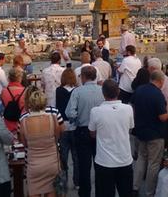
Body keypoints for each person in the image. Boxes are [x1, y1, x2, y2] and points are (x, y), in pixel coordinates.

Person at [89, 80, 135, 197]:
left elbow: (92, 133)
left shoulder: (96, 111)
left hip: (104, 161)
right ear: (118, 91)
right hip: (124, 159)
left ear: (103, 93)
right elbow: (130, 128)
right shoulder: (128, 109)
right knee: (126, 193)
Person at [65, 66, 105, 197]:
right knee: (100, 165)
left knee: (84, 166)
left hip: (83, 131)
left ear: (83, 77)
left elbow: (69, 112)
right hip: (100, 131)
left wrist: (76, 120)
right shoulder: (102, 91)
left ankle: (85, 193)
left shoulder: (77, 92)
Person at [131, 68, 168, 196]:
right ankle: (149, 192)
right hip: (155, 134)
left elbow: (134, 108)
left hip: (141, 131)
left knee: (141, 159)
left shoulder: (139, 90)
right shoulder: (158, 94)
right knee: (153, 164)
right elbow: (163, 117)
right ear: (160, 81)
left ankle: (135, 187)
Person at [19, 89, 62, 197]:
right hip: (52, 163)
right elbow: (57, 138)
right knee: (52, 191)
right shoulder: (53, 118)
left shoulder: (24, 121)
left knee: (33, 192)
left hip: (34, 164)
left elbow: (24, 144)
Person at [55, 68, 79, 189]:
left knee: (63, 156)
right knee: (76, 156)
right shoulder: (77, 90)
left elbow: (57, 108)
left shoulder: (58, 91)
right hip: (74, 125)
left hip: (62, 125)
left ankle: (64, 181)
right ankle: (77, 182)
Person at [1, 66, 26, 133]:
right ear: (19, 78)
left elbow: (3, 105)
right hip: (22, 122)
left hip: (8, 122)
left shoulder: (4, 91)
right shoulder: (25, 91)